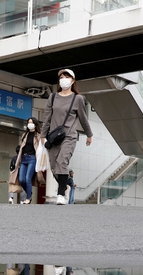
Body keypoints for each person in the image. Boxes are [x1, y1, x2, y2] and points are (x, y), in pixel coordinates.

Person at [40, 69, 93, 205]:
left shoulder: (78, 98)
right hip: (53, 137)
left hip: (69, 136)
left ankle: (60, 194)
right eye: (61, 77)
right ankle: (65, 186)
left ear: (73, 80)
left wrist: (89, 134)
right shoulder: (53, 97)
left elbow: (83, 118)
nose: (63, 79)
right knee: (54, 166)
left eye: (67, 77)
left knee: (62, 162)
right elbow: (47, 118)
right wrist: (43, 135)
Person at [17, 117, 42, 204]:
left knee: (28, 178)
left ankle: (28, 198)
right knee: (21, 179)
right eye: (28, 123)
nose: (30, 124)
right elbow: (21, 146)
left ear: (35, 124)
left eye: (31, 123)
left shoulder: (38, 135)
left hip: (32, 158)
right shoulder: (24, 135)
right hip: (23, 158)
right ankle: (29, 193)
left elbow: (41, 148)